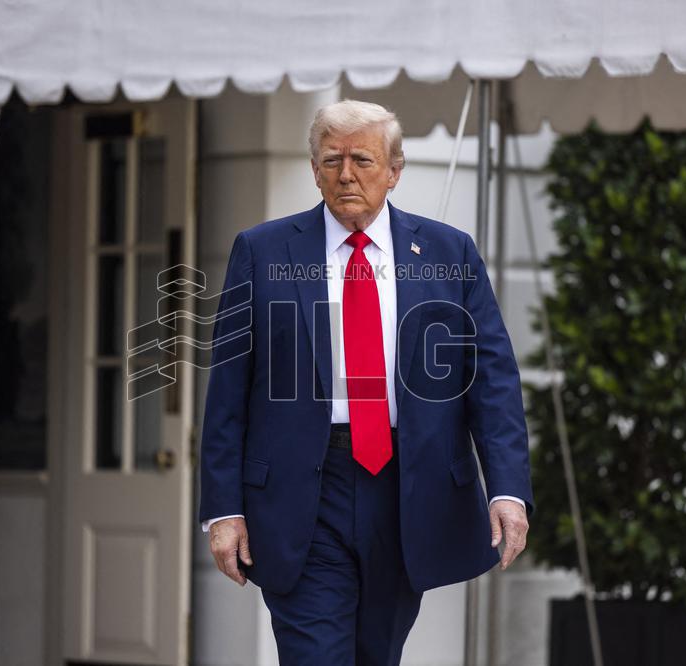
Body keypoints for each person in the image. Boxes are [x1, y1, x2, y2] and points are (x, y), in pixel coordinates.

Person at [198, 99, 534, 665]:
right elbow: (228, 390)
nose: (345, 174)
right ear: (314, 168)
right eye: (331, 160)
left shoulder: (449, 253)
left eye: (361, 159)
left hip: (407, 487)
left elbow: (492, 379)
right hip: (303, 489)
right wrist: (223, 508)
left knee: (376, 654)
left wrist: (507, 488)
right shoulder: (261, 251)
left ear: (395, 170)